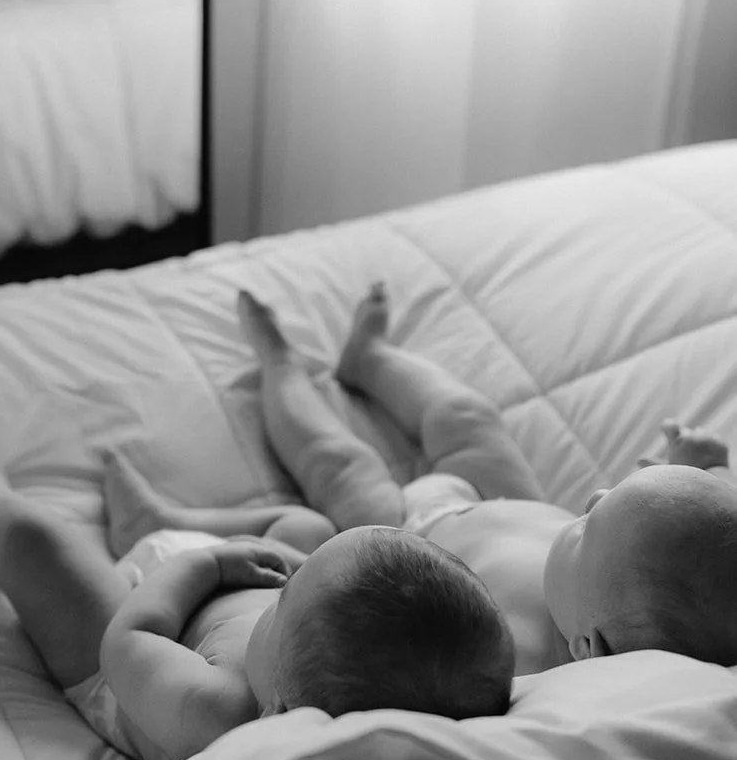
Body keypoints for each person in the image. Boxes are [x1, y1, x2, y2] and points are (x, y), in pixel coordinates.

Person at [104, 286, 737, 678]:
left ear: (587, 649)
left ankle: (277, 368)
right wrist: (686, 467)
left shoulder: (519, 668)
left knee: (336, 460)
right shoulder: (612, 587)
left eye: (587, 525)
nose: (596, 495)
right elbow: (674, 543)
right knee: (469, 417)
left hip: (407, 540)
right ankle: (370, 358)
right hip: (507, 500)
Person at [0, 387, 516, 760]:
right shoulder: (310, 666)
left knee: (31, 543)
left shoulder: (219, 711)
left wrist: (202, 565)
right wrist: (276, 563)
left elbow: (129, 643)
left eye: (282, 605)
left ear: (280, 711)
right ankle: (164, 520)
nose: (288, 583)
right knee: (303, 524)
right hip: (225, 571)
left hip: (140, 630)